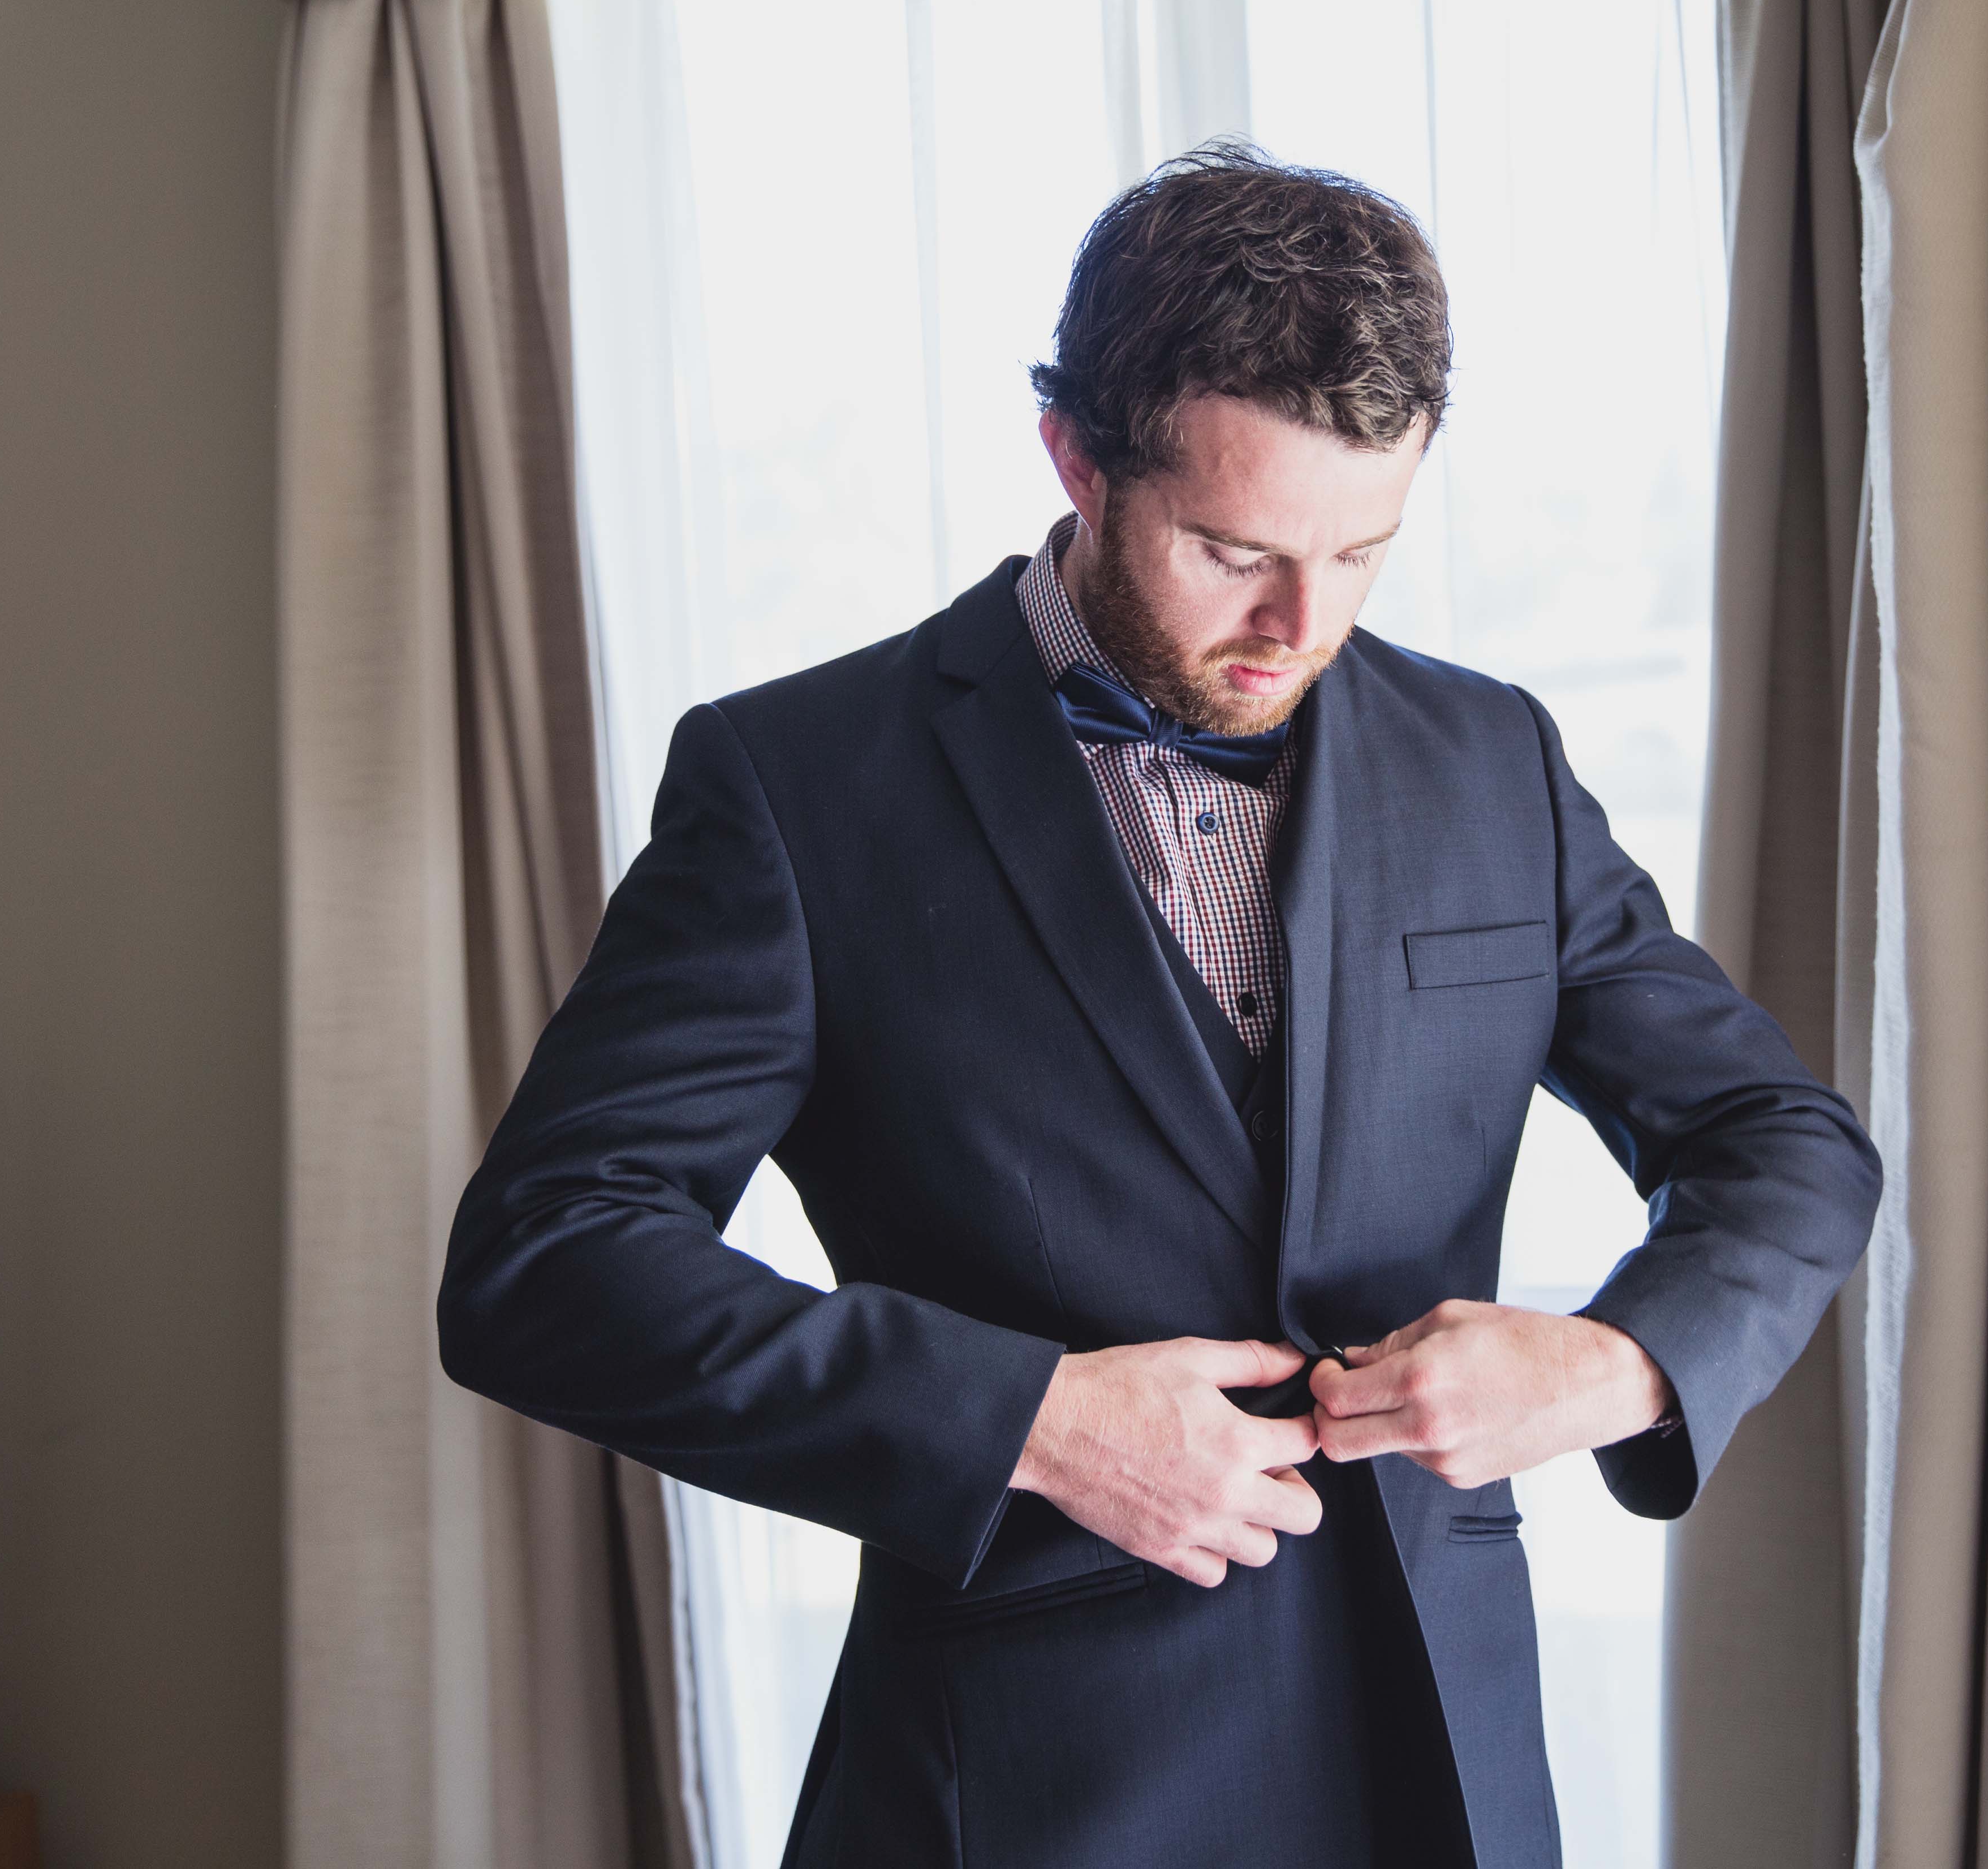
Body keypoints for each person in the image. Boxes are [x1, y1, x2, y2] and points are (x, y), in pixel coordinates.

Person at [439, 141, 1881, 1869]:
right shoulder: (796, 784)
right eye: (1231, 550)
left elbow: (1784, 1144)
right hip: (1022, 1796)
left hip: (1447, 1781)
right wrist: (1026, 1421)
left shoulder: (1492, 759)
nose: (1301, 624)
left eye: (1362, 554)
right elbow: (546, 1261)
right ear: (1077, 455)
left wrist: (1615, 1364)